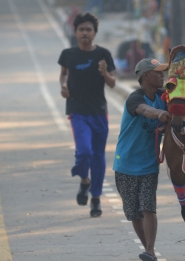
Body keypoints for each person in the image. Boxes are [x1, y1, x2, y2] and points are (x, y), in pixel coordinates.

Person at [113, 58, 171, 261]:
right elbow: (146, 111)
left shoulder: (163, 97)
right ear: (146, 76)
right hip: (125, 163)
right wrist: (161, 115)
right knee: (134, 212)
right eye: (157, 72)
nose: (162, 76)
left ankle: (150, 251)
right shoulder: (134, 98)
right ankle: (147, 248)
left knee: (148, 207)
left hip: (148, 163)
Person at [58, 12, 116, 217]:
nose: (85, 33)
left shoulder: (104, 55)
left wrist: (105, 73)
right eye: (81, 29)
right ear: (75, 32)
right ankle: (84, 180)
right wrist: (63, 86)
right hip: (77, 112)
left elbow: (112, 83)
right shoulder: (68, 54)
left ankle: (96, 198)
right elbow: (64, 74)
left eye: (88, 30)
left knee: (98, 157)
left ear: (94, 33)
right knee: (84, 152)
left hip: (99, 112)